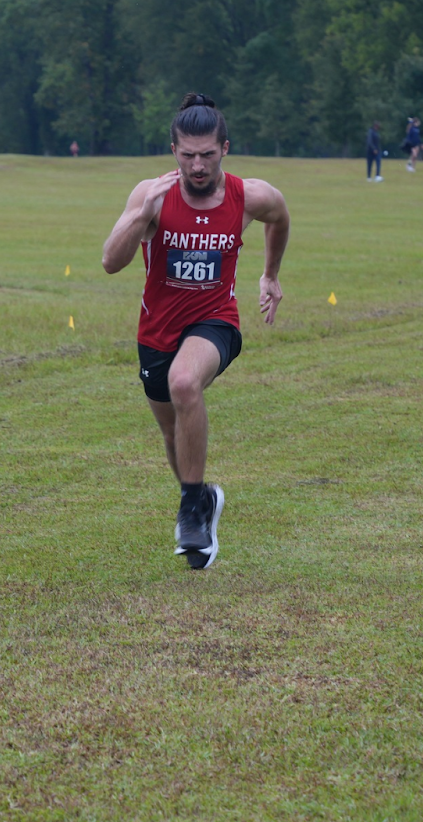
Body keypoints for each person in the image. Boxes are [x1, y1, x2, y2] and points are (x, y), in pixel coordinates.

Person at [100, 93, 290, 570]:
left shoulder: (250, 196)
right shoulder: (152, 195)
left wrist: (270, 274)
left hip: (215, 321)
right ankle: (201, 498)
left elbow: (280, 216)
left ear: (225, 147)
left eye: (207, 154)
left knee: (184, 383)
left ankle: (188, 510)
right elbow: (110, 262)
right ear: (173, 151)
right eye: (188, 155)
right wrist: (142, 214)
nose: (198, 165)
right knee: (171, 433)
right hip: (157, 330)